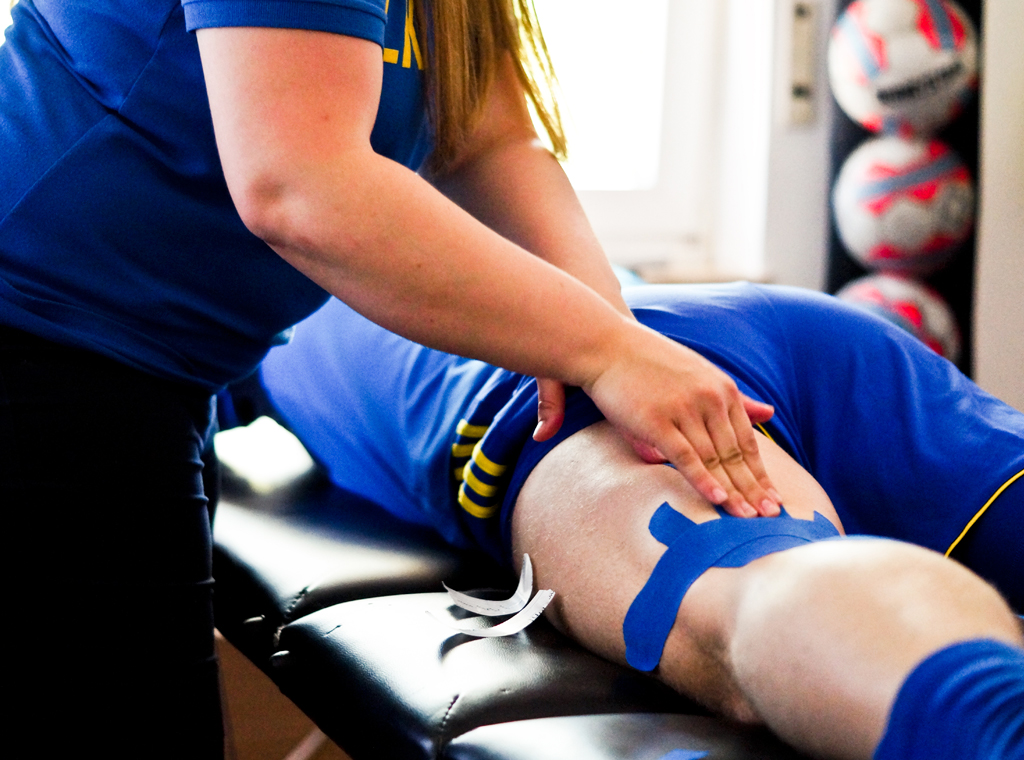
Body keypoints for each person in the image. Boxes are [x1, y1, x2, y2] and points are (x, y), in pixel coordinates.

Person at [1, 1, 783, 755]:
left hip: (145, 364)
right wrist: (606, 353)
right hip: (40, 342)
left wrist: (607, 335)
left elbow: (485, 139)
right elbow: (297, 183)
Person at [228, 281, 1024, 759]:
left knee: (746, 586)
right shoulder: (459, 185)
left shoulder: (249, 295)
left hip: (572, 393)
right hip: (789, 339)